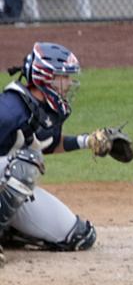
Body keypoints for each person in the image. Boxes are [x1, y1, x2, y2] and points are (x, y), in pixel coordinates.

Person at [0, 42, 100, 267]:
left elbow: (47, 144)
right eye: (64, 77)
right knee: (25, 165)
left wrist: (88, 141)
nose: (69, 83)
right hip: (8, 175)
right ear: (45, 78)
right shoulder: (8, 110)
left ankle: (8, 231)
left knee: (79, 236)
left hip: (5, 181)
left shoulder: (44, 109)